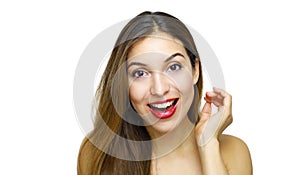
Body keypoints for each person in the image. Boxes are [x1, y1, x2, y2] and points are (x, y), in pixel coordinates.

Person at [77, 11, 252, 175]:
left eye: (173, 67)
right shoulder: (97, 153)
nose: (159, 89)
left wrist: (208, 145)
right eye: (140, 73)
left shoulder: (232, 151)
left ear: (195, 71)